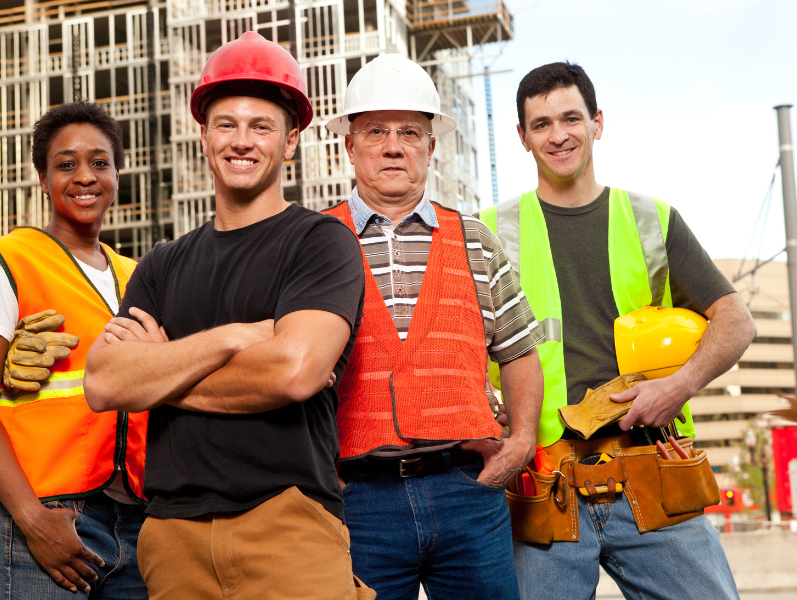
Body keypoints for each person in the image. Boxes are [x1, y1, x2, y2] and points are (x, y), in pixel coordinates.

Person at [83, 32, 372, 600]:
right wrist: (239, 337)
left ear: (291, 142)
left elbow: (294, 371)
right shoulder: (161, 266)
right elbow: (105, 382)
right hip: (171, 540)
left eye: (261, 127)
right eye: (226, 124)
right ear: (204, 137)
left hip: (289, 527)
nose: (242, 142)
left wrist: (161, 371)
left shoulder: (321, 243)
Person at [478, 61, 756, 599]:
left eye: (571, 118)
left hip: (651, 471)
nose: (558, 136)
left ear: (597, 122)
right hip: (545, 485)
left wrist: (678, 387)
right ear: (522, 137)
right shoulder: (490, 232)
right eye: (541, 125)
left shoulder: (651, 218)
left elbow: (736, 321)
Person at [321, 53, 544, 600]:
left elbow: (519, 351)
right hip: (357, 498)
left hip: (467, 490)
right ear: (349, 146)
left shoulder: (475, 240)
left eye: (410, 132)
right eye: (376, 131)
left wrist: (521, 443)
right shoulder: (313, 243)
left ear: (430, 147)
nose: (393, 146)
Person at [0, 102, 149, 599]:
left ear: (117, 173)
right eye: (66, 164)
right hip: (29, 518)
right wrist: (33, 520)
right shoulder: (4, 262)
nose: (85, 176)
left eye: (100, 162)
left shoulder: (138, 277)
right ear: (42, 177)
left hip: (132, 524)